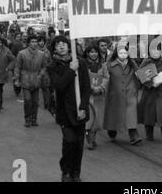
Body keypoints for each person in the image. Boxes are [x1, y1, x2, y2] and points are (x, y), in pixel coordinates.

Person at [47, 35, 90, 182]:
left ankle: (75, 173)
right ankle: (65, 171)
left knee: (79, 144)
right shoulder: (53, 66)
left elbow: (86, 87)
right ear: (54, 49)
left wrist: (83, 107)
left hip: (80, 112)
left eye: (63, 44)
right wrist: (71, 71)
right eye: (58, 45)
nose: (61, 46)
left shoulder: (81, 62)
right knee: (69, 142)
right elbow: (59, 86)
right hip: (65, 112)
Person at [103, 45, 142, 145]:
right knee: (114, 113)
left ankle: (133, 134)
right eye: (121, 52)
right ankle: (112, 130)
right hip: (115, 93)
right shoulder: (109, 65)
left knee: (131, 113)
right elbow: (104, 77)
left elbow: (141, 75)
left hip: (130, 92)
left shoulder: (131, 64)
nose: (123, 54)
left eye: (125, 52)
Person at [14, 35, 48, 127]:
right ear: (28, 43)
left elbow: (44, 66)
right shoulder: (22, 53)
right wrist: (16, 79)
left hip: (36, 79)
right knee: (28, 100)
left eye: (35, 42)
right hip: (25, 79)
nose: (34, 43)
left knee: (35, 101)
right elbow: (17, 67)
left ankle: (34, 119)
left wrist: (40, 75)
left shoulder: (41, 54)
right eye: (32, 42)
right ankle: (27, 118)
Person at [83, 45, 109, 149]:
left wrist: (101, 88)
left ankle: (93, 137)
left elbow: (106, 77)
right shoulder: (83, 64)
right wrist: (91, 87)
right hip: (88, 95)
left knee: (97, 118)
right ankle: (89, 138)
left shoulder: (102, 65)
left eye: (95, 52)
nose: (93, 54)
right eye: (91, 52)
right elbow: (82, 78)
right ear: (87, 53)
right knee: (89, 118)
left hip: (99, 96)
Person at [38, 35, 55, 114]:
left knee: (45, 89)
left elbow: (50, 61)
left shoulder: (47, 51)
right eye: (39, 41)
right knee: (36, 88)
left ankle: (47, 104)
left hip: (45, 73)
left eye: (42, 41)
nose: (41, 42)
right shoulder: (35, 51)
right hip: (36, 73)